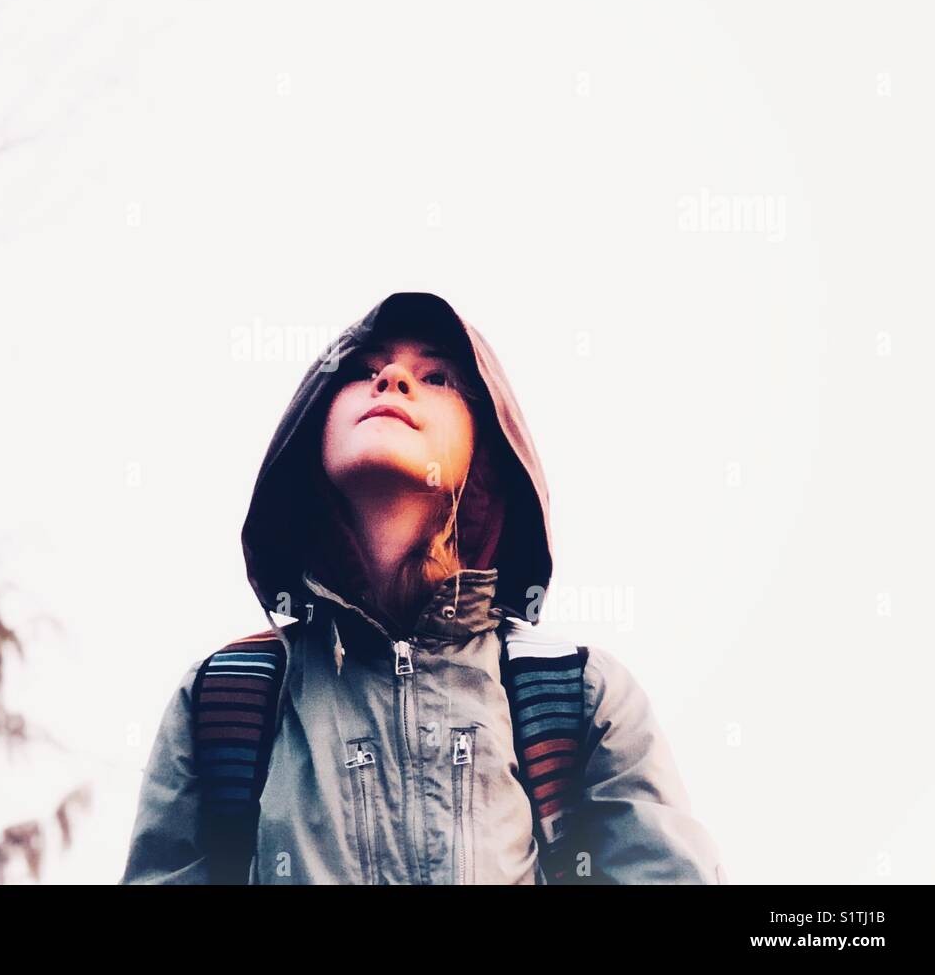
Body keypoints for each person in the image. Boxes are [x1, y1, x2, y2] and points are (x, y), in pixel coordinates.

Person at [120, 291, 726, 884]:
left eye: (436, 376)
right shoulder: (226, 699)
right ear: (313, 430)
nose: (391, 378)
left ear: (485, 452)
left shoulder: (578, 696)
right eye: (362, 371)